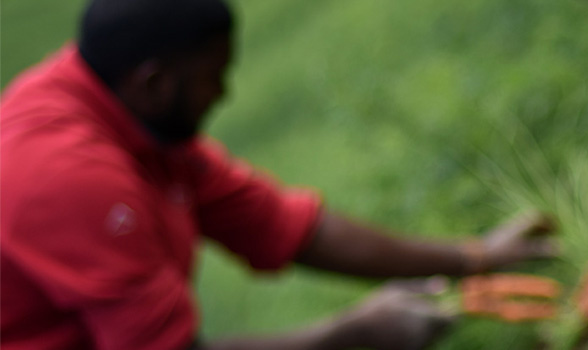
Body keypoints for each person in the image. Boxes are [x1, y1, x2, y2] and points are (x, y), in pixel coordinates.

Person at [0, 0, 555, 349]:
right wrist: (349, 337)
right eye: (214, 75)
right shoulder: (68, 178)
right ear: (154, 83)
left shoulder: (124, 109)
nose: (223, 93)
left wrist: (474, 258)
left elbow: (282, 225)